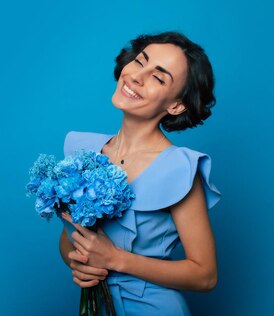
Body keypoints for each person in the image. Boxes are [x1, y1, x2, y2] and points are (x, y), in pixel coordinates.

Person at [59, 31, 223, 315]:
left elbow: (205, 275)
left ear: (175, 105)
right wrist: (78, 263)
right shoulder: (82, 150)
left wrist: (116, 260)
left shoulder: (178, 169)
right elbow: (70, 238)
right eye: (139, 61)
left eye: (159, 78)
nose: (136, 76)